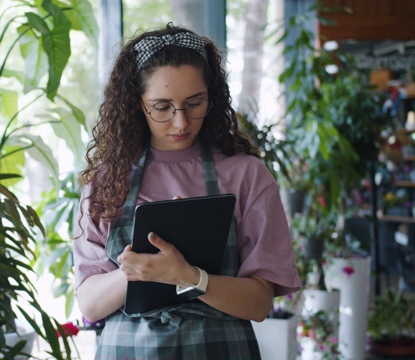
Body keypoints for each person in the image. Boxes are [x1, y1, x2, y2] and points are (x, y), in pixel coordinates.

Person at [72, 24, 301, 359]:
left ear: (213, 96)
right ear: (137, 104)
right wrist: (139, 269)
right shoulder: (107, 182)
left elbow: (259, 303)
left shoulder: (247, 175)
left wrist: (189, 276)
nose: (181, 122)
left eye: (195, 103)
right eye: (162, 107)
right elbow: (90, 303)